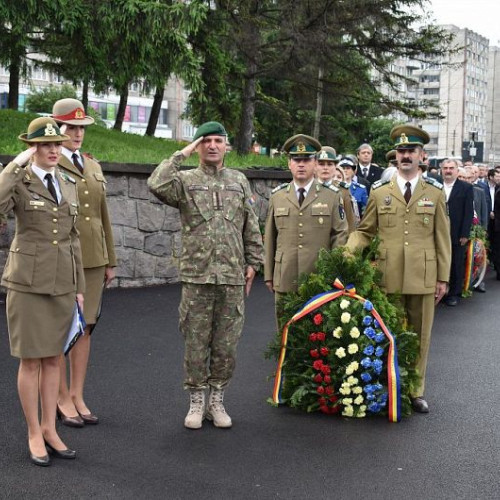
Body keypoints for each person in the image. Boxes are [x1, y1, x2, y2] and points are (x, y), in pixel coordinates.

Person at [148, 121, 263, 430]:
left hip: (231, 277)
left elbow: (250, 224)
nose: (212, 146)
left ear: (226, 146)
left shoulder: (239, 181)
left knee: (226, 344)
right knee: (196, 342)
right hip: (197, 277)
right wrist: (181, 151)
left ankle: (217, 399)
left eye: (218, 140)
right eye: (206, 141)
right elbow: (156, 183)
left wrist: (254, 261)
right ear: (198, 146)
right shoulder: (185, 181)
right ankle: (196, 400)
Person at [346, 124, 451, 414]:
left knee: (420, 336)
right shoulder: (380, 192)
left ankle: (416, 390)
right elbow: (364, 231)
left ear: (421, 156)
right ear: (396, 156)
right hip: (387, 275)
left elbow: (442, 237)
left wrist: (443, 277)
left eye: (411, 151)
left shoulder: (436, 192)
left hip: (423, 275)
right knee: (386, 333)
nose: (406, 156)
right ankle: (387, 385)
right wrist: (346, 254)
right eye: (401, 151)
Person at [0, 117, 85, 465]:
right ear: (32, 147)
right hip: (28, 283)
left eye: (56, 144)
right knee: (31, 361)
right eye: (44, 145)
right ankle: (34, 431)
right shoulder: (18, 181)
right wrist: (15, 164)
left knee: (54, 358)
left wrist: (79, 286)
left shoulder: (68, 182)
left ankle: (51, 428)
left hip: (63, 283)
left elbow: (73, 238)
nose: (53, 150)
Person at [51, 98, 117, 426]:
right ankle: (60, 397)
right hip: (63, 258)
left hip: (93, 259)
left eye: (81, 129)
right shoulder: (48, 163)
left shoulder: (92, 165)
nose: (77, 134)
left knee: (86, 327)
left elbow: (103, 216)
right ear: (57, 128)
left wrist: (110, 260)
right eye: (71, 128)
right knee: (63, 328)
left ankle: (77, 394)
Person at [264, 134, 348, 321]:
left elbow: (340, 236)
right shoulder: (278, 196)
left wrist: (334, 273)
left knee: (317, 338)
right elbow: (270, 237)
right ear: (289, 163)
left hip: (318, 277)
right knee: (284, 334)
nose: (301, 164)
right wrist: (269, 274)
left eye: (306, 160)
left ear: (315, 163)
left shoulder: (332, 196)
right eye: (296, 159)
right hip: (285, 275)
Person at [441, 158, 474, 306]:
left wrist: (465, 234)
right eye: (445, 168)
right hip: (438, 233)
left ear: (456, 170)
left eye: (451, 168)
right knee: (439, 263)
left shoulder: (466, 188)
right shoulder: (435, 186)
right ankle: (439, 292)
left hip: (457, 232)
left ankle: (453, 294)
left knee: (456, 263)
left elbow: (468, 212)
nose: (448, 171)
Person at [316, 146, 357, 232]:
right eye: (321, 164)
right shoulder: (307, 189)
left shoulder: (343, 190)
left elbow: (350, 221)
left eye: (330, 164)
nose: (325, 168)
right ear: (315, 166)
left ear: (335, 167)